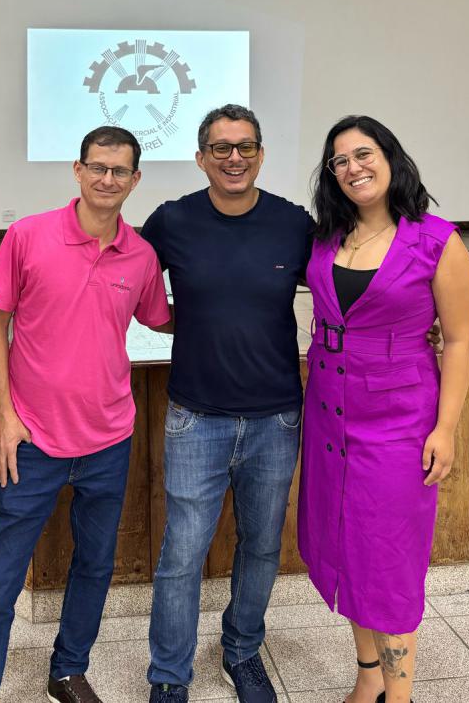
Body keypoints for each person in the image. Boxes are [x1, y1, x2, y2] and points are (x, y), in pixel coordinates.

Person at [0, 126, 170, 703]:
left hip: (109, 438)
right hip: (31, 440)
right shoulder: (29, 235)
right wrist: (5, 415)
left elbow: (161, 318)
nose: (107, 179)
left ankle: (68, 670)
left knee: (95, 566)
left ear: (135, 180)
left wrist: (234, 302)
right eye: (97, 167)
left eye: (119, 171)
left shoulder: (141, 255)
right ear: (78, 170)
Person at [298, 115, 469, 703]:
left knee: (388, 561)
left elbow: (458, 340)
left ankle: (398, 696)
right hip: (329, 417)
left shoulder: (437, 241)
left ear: (391, 158)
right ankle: (369, 677)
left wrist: (446, 428)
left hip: (400, 423)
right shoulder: (328, 237)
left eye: (363, 154)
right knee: (345, 550)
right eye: (340, 161)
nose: (353, 167)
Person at [142, 105, 314, 703]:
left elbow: (345, 288)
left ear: (261, 155)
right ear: (200, 158)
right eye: (221, 147)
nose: (233, 157)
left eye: (245, 147)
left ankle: (241, 651)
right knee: (182, 554)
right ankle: (169, 675)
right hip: (196, 418)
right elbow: (126, 281)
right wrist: (182, 323)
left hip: (276, 417)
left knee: (262, 546)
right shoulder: (172, 220)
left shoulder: (293, 223)